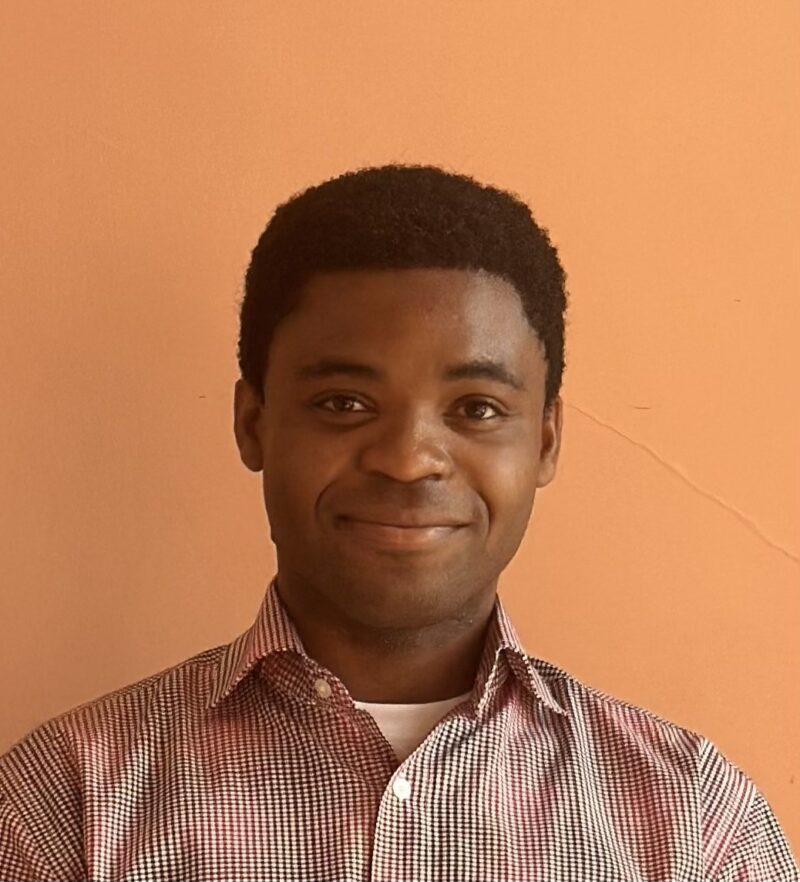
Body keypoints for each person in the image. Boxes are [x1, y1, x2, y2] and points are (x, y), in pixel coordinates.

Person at [0, 164, 796, 882]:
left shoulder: (694, 823)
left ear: (546, 441)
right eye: (344, 402)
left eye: (476, 408)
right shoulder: (65, 805)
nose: (409, 460)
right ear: (252, 423)